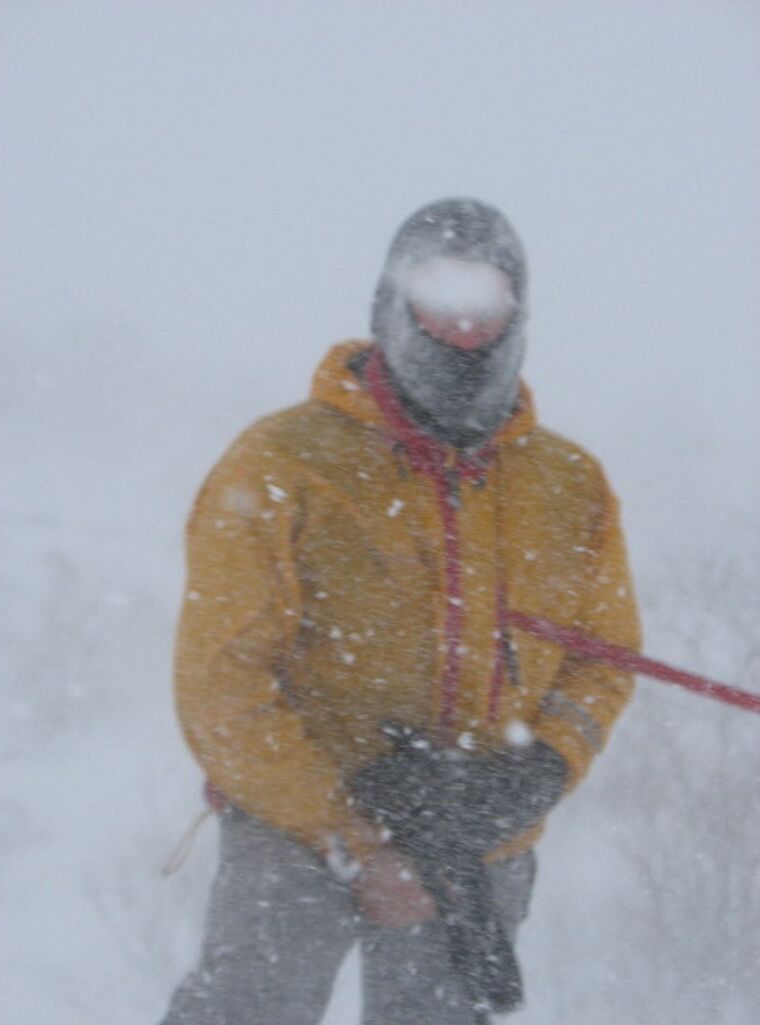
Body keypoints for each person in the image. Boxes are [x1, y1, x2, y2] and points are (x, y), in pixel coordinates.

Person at [159, 198, 641, 1025]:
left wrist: (541, 769)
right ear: (390, 302)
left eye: (483, 299)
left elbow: (604, 657)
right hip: (296, 825)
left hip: (478, 842)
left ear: (516, 309)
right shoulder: (283, 461)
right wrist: (352, 838)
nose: (461, 323)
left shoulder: (570, 484)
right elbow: (221, 682)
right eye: (437, 293)